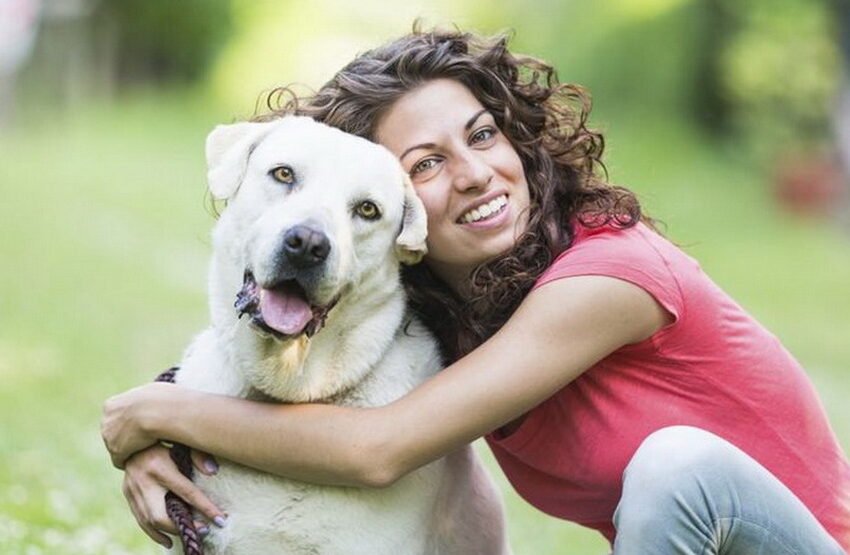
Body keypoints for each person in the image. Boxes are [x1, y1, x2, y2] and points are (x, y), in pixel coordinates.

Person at [101, 25, 850, 554]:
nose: (474, 173)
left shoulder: (609, 276)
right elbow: (301, 378)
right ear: (391, 218)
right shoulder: (459, 312)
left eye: (483, 134)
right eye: (425, 163)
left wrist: (156, 411)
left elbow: (376, 448)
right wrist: (160, 438)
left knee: (678, 464)